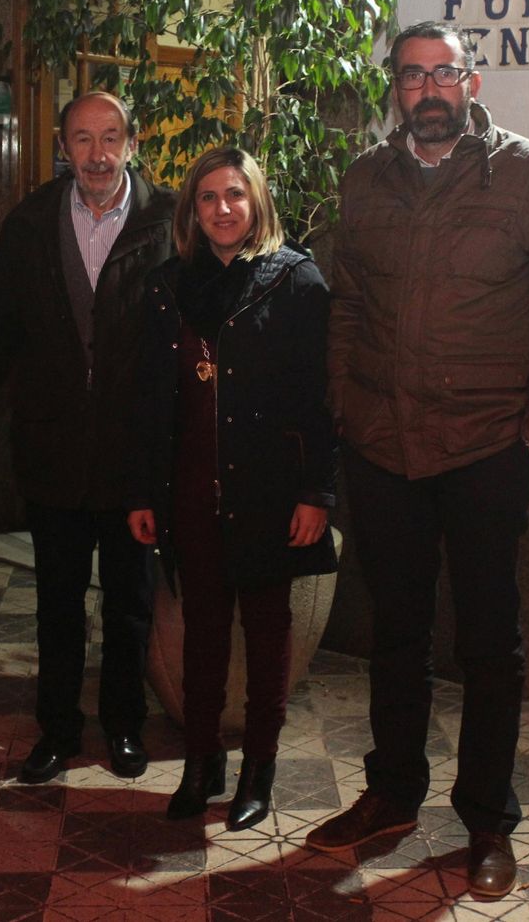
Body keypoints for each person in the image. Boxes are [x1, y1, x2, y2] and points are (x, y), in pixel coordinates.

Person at [307, 21, 529, 898]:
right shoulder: (365, 180)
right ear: (393, 88)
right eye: (411, 75)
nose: (428, 89)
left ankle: (486, 823)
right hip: (383, 448)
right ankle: (391, 795)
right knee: (393, 636)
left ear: (472, 83)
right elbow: (345, 307)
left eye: (444, 73)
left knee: (488, 644)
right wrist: (347, 404)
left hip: (486, 451)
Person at [126, 147, 336, 831]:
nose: (223, 209)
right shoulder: (166, 286)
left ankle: (257, 771)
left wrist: (317, 493)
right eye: (209, 197)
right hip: (187, 490)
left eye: (236, 195)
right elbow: (148, 402)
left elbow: (320, 399)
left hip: (271, 491)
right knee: (202, 634)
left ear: (258, 203)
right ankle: (201, 762)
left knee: (270, 635)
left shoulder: (296, 282)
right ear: (192, 209)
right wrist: (142, 493)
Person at [0, 91, 174, 783]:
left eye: (111, 138)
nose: (97, 154)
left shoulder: (168, 221)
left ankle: (124, 727)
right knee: (58, 604)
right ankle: (58, 730)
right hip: (55, 452)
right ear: (61, 145)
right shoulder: (29, 224)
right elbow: (7, 335)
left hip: (137, 456)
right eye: (82, 139)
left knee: (131, 603)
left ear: (132, 142)